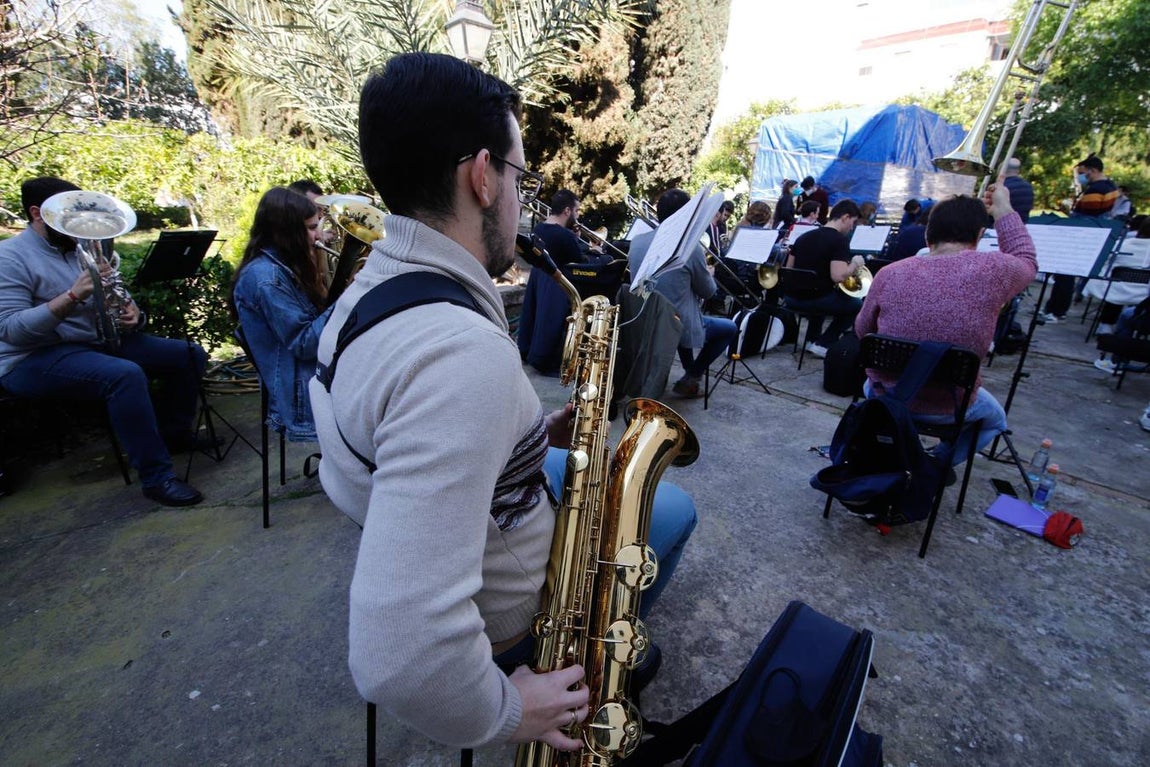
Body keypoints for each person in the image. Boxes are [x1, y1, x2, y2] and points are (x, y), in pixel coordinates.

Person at [309, 52, 697, 752]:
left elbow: (399, 436)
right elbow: (397, 655)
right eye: (522, 177)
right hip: (513, 609)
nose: (523, 200)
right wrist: (509, 711)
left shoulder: (364, 294)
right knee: (673, 512)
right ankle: (599, 655)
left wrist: (525, 436)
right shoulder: (462, 356)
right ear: (482, 176)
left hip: (478, 520)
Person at [0, 177, 207, 506]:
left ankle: (174, 436)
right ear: (38, 213)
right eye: (66, 216)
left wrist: (132, 312)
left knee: (188, 354)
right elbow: (12, 330)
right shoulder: (9, 257)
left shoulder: (83, 248)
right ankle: (157, 478)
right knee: (123, 375)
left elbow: (113, 297)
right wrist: (72, 295)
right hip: (31, 357)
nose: (78, 225)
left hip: (91, 343)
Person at [855, 182, 1037, 464]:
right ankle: (935, 464)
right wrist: (1003, 210)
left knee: (871, 385)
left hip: (884, 394)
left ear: (928, 234)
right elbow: (1025, 259)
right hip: (949, 405)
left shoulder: (889, 273)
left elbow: (862, 331)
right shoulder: (995, 271)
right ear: (979, 235)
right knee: (995, 420)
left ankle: (898, 454)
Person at [230, 187, 333, 441]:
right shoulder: (266, 278)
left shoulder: (285, 264)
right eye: (311, 228)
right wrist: (349, 297)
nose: (319, 236)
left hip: (316, 375)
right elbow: (305, 343)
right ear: (287, 232)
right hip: (304, 395)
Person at [627, 188, 738, 398]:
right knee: (729, 328)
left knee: (682, 310)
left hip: (647, 318)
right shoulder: (691, 248)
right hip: (678, 324)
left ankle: (689, 378)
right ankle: (693, 375)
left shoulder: (637, 241)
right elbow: (708, 291)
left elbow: (642, 284)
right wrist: (709, 273)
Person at [518, 189, 594, 375]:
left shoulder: (539, 228)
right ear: (567, 211)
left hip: (539, 282)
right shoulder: (564, 236)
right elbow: (580, 260)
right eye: (576, 211)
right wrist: (593, 249)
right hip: (557, 286)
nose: (578, 215)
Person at [1040, 154, 1118, 323]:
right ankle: (1052, 308)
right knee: (1064, 276)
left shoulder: (1097, 189)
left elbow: (1086, 216)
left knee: (1065, 275)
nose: (1082, 177)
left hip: (1080, 237)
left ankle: (1057, 311)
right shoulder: (1110, 187)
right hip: (1089, 237)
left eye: (1083, 173)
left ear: (1093, 170)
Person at [783, 199, 865, 357]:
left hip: (791, 298)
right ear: (845, 217)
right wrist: (854, 264)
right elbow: (837, 276)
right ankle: (824, 343)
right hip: (815, 299)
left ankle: (811, 339)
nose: (852, 227)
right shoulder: (839, 240)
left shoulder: (804, 236)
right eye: (853, 222)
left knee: (822, 290)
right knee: (857, 305)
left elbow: (788, 268)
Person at [1083, 216, 1150, 336]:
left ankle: (1105, 325)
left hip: (1114, 289)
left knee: (1112, 280)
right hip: (1143, 294)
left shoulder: (1122, 244)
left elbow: (1102, 261)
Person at [1001, 157, 1034, 222]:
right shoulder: (1028, 186)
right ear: (1018, 170)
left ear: (1003, 170)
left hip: (1003, 224)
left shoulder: (1001, 187)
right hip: (1022, 223)